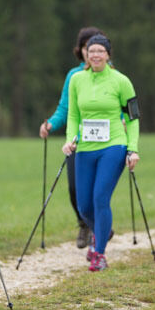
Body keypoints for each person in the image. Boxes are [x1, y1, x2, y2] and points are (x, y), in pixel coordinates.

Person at [62, 34, 140, 272]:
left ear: (108, 55)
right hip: (85, 148)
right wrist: (69, 140)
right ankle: (99, 233)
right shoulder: (77, 80)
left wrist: (132, 148)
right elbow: (74, 115)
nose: (95, 55)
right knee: (84, 206)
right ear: (86, 53)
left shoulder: (121, 81)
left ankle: (100, 254)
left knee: (100, 199)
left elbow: (133, 118)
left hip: (114, 145)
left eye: (100, 51)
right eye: (91, 50)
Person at [39, 26, 103, 248]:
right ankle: (84, 224)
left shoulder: (112, 74)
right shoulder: (74, 76)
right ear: (81, 50)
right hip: (78, 142)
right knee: (75, 189)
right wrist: (51, 123)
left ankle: (100, 229)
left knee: (99, 190)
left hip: (106, 143)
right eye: (87, 48)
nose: (91, 53)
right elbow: (64, 108)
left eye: (96, 48)